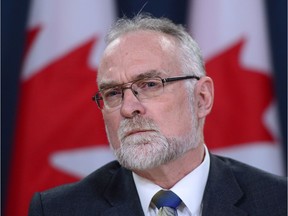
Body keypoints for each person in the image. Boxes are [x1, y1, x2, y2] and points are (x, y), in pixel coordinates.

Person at [29, 14, 287, 216]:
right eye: (113, 93)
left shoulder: (278, 202)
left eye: (150, 84)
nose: (129, 108)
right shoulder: (57, 210)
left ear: (201, 98)